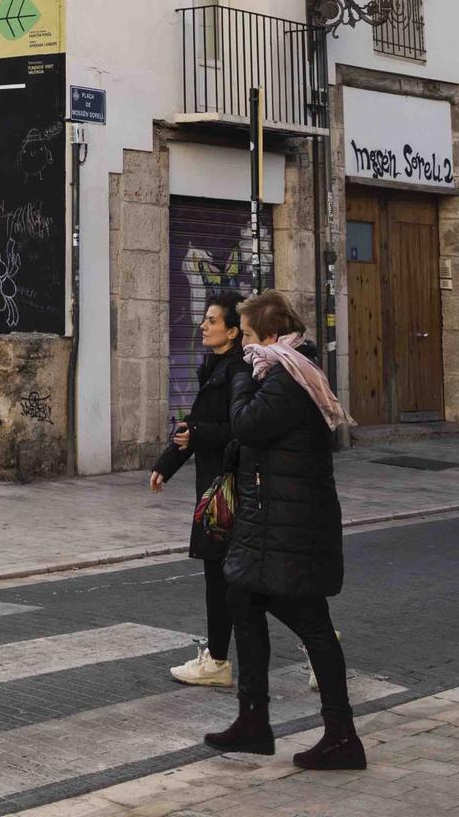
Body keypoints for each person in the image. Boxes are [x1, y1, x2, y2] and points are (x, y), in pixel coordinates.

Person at [204, 288, 363, 771]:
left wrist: (239, 379)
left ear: (271, 336)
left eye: (248, 337)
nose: (243, 347)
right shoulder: (284, 370)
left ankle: (341, 736)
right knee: (243, 599)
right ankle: (254, 721)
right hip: (276, 522)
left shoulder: (286, 377)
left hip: (290, 527)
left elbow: (247, 425)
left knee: (311, 623)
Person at [149, 295, 244, 688]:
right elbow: (196, 425)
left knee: (232, 579)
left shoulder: (238, 372)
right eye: (204, 319)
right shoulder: (215, 367)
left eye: (211, 320)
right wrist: (166, 464)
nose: (203, 326)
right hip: (217, 488)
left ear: (233, 331)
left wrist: (196, 437)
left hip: (228, 491)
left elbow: (240, 428)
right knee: (228, 578)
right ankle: (219, 659)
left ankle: (220, 661)